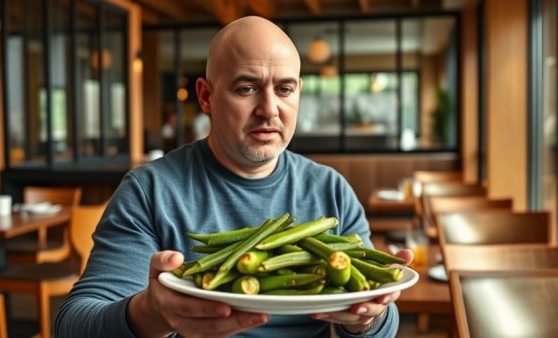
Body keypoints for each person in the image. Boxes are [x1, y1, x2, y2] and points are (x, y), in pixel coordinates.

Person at [55, 16, 413, 338]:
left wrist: (368, 321)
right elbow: (73, 325)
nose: (270, 109)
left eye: (285, 89)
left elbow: (380, 320)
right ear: (206, 96)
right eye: (247, 88)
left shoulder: (330, 191)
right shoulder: (151, 191)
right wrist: (152, 313)